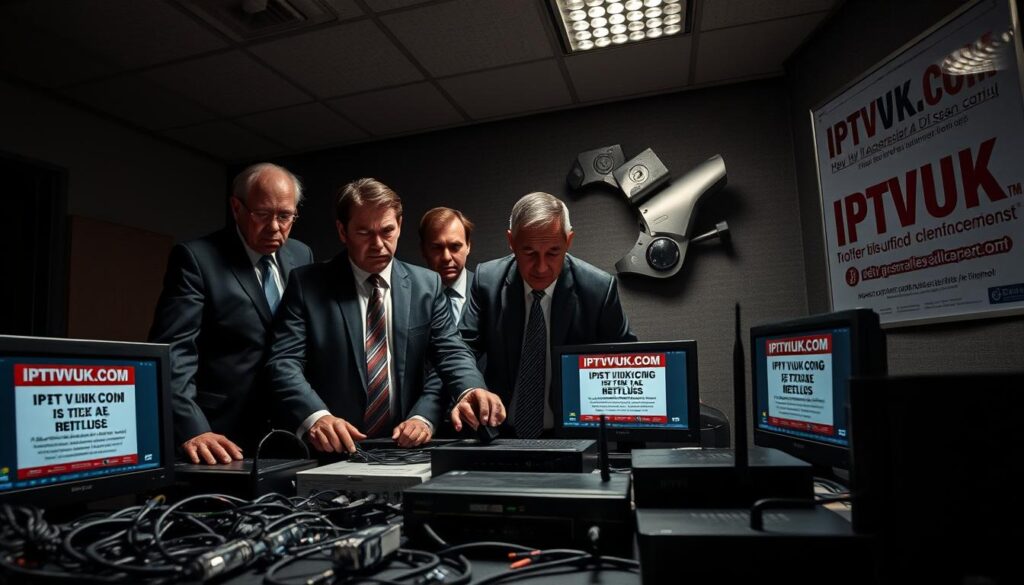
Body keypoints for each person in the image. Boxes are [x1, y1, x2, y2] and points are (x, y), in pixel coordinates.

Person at [265, 178, 494, 453]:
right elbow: (284, 362)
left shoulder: (427, 285)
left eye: (387, 231)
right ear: (342, 231)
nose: (377, 244)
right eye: (364, 233)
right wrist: (316, 417)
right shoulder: (306, 285)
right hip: (331, 450)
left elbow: (451, 352)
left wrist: (468, 390)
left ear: (399, 225)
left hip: (405, 450)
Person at [149, 163, 314, 464]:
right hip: (218, 434)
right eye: (262, 214)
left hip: (289, 434)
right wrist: (193, 428)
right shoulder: (197, 259)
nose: (275, 227)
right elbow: (174, 351)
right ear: (237, 208)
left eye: (285, 216)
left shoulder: (302, 255)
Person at [454, 192, 637, 438]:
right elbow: (460, 349)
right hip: (498, 435)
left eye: (553, 252)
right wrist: (469, 390)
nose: (541, 267)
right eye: (529, 252)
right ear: (511, 241)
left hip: (573, 437)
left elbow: (627, 362)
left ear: (569, 241)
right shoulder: (487, 280)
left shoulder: (598, 290)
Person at [419, 207, 475, 321]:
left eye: (455, 247)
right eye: (437, 248)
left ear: (468, 246)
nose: (446, 257)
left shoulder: (489, 293)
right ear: (423, 250)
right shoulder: (412, 297)